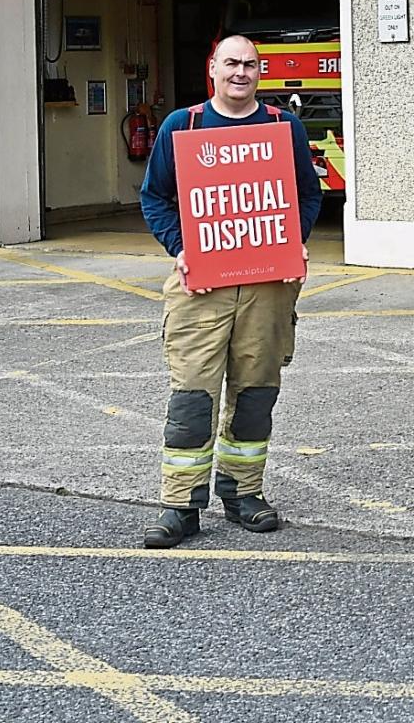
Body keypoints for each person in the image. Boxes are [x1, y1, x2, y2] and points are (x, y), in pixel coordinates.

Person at [138, 34, 323, 549]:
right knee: (193, 396)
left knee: (256, 394)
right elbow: (154, 197)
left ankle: (243, 493)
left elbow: (308, 196)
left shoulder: (283, 126)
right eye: (232, 63)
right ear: (212, 69)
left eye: (251, 64)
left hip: (267, 286)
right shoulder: (184, 125)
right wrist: (180, 246)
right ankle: (180, 505)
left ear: (259, 73)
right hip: (201, 287)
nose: (241, 72)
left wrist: (294, 240)